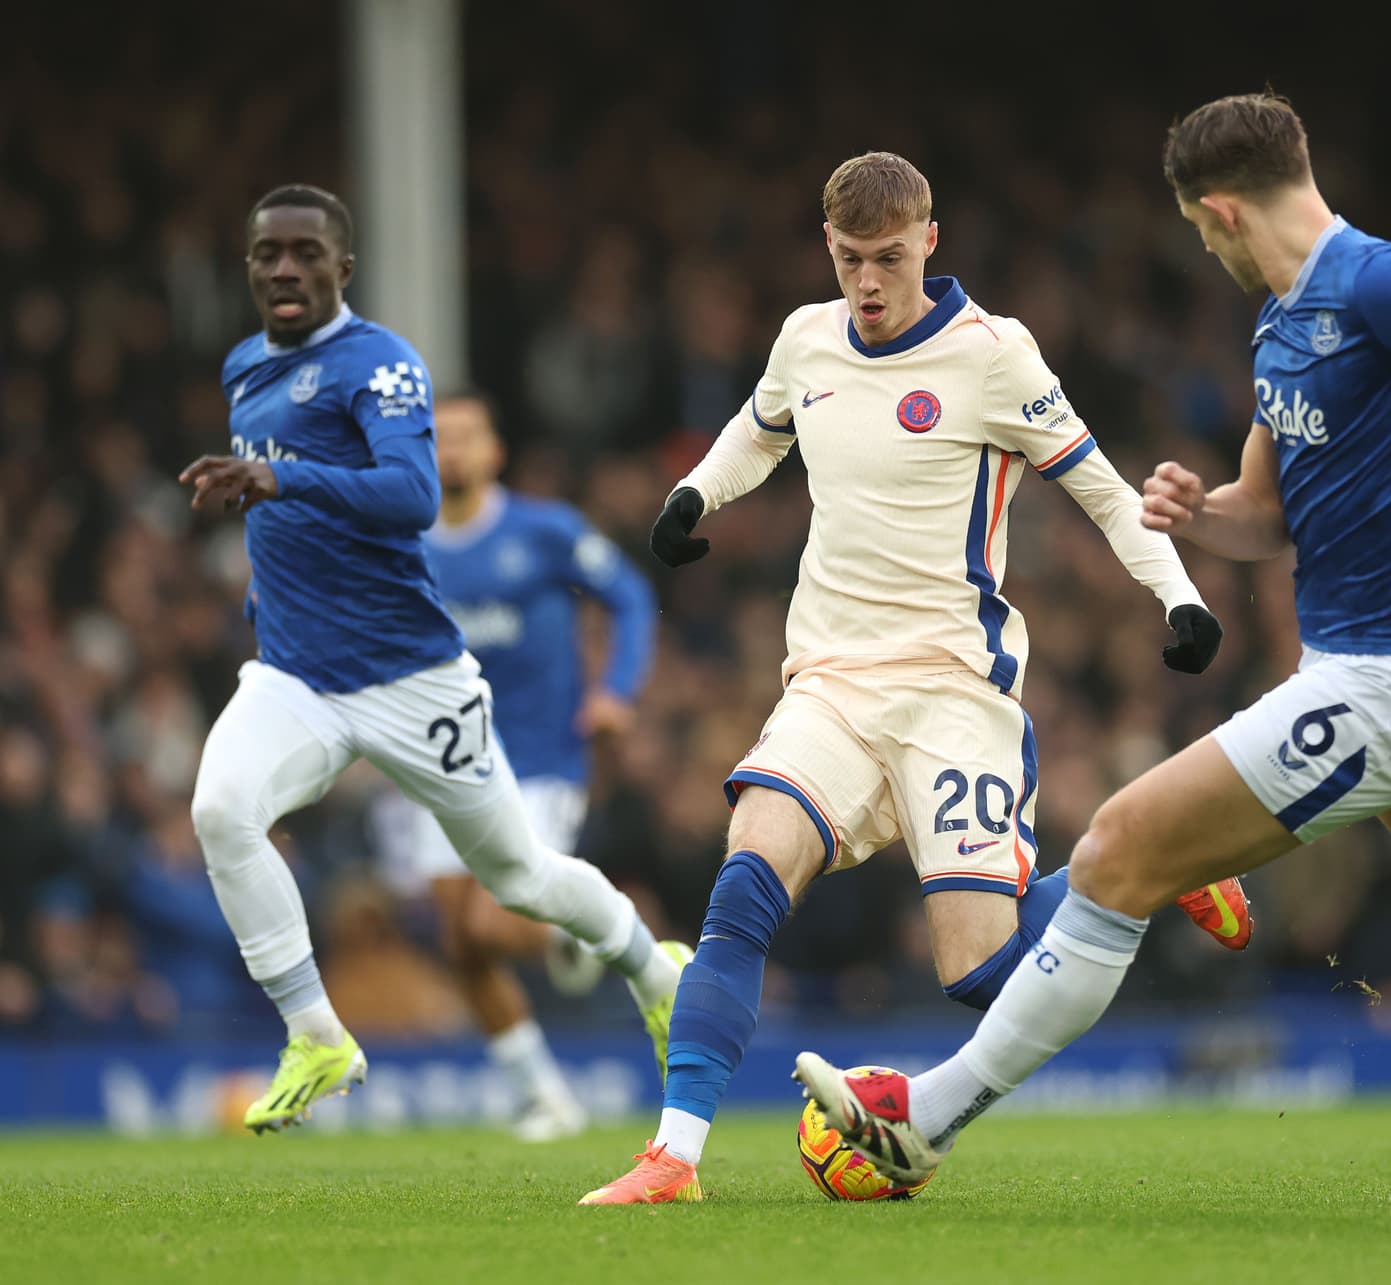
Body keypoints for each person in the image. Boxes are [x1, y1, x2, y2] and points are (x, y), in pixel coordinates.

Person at [794, 93, 1391, 1183]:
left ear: (1221, 209)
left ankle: (920, 1122)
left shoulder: (1386, 283)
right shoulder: (1281, 322)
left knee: (1121, 847)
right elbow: (1265, 516)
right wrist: (1201, 512)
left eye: (1196, 228)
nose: (1203, 246)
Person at [578, 152, 1243, 1205]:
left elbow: (1107, 493)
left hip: (952, 693)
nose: (869, 284)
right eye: (850, 260)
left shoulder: (994, 357)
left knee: (986, 978)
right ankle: (674, 1156)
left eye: (889, 258)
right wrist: (694, 496)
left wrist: (1178, 596)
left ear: (930, 242)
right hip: (831, 685)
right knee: (745, 882)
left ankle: (1152, 863)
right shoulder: (806, 337)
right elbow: (758, 434)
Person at [181, 185, 685, 1134]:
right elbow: (281, 521)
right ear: (248, 267)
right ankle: (315, 1032)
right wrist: (264, 583)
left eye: (305, 253)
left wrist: (278, 476)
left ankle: (654, 971)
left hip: (412, 681)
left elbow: (412, 494)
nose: (284, 269)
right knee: (220, 809)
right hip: (296, 674)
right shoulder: (244, 366)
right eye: (266, 255)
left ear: (344, 268)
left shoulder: (381, 365)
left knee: (519, 882)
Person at [376, 388, 688, 1141]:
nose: (451, 450)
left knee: (495, 918)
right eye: (437, 437)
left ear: (494, 453)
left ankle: (583, 930)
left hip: (541, 760)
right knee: (460, 942)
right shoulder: (402, 541)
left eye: (465, 436)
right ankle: (545, 1094)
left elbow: (631, 596)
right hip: (443, 760)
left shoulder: (544, 532)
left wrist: (615, 690)